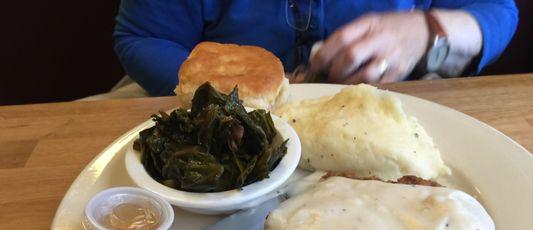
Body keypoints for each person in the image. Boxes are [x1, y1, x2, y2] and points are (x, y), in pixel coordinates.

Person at [113, 0, 518, 97]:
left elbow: (497, 11)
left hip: (389, 100)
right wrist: (224, 92)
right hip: (204, 106)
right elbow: (143, 37)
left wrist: (430, 33)